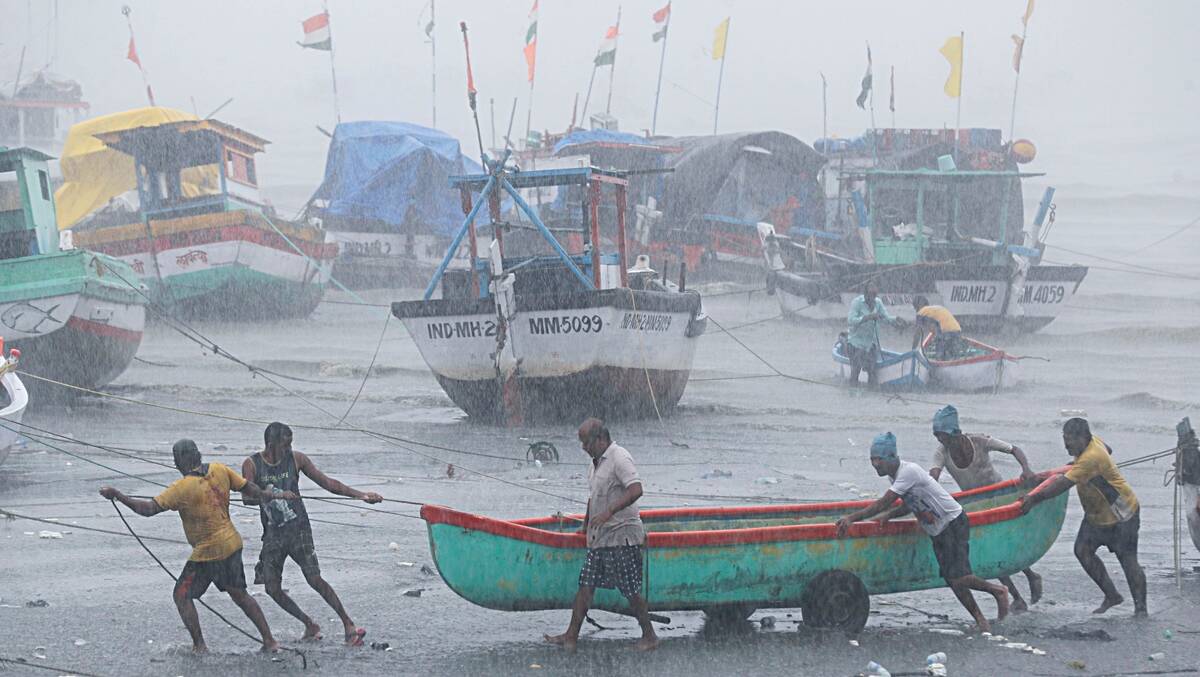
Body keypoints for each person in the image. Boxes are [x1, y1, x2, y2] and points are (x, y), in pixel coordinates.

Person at [99, 439, 292, 653]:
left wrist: (118, 496)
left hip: (208, 553)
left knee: (181, 595)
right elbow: (249, 487)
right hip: (232, 543)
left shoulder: (181, 488)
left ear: (180, 461)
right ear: (197, 455)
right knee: (240, 595)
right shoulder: (220, 469)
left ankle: (199, 645)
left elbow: (148, 509)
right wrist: (267, 495)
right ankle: (269, 641)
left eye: (176, 460)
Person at [836, 432, 1009, 632]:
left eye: (879, 459)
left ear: (891, 457)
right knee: (952, 580)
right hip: (938, 530)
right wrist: (890, 515)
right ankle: (981, 620)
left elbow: (884, 502)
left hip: (953, 522)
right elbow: (910, 503)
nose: (875, 464)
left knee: (960, 577)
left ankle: (997, 591)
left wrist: (852, 518)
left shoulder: (908, 472)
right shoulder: (895, 476)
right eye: (872, 460)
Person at [242, 422, 382, 646]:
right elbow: (247, 498)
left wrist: (362, 495)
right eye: (285, 445)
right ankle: (309, 624)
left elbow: (329, 484)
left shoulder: (297, 459)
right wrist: (274, 495)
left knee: (314, 578)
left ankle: (348, 624)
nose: (289, 449)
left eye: (290, 444)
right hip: (273, 534)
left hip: (299, 529)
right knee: (272, 588)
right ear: (271, 444)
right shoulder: (252, 464)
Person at [545, 418, 658, 652]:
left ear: (601, 439)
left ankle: (650, 635)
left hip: (621, 536)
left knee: (630, 590)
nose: (583, 448)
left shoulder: (619, 458)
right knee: (585, 586)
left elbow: (636, 489)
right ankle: (571, 635)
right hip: (600, 537)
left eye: (586, 442)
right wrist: (586, 526)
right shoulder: (595, 464)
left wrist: (609, 511)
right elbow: (593, 498)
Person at [1020, 418, 1147, 617]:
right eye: (1064, 440)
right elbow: (1109, 449)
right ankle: (1112, 596)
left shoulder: (1091, 457)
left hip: (1122, 514)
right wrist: (1078, 465)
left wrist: (1033, 499)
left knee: (1128, 561)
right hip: (1096, 515)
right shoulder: (1092, 443)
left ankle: (1141, 610)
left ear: (1082, 438)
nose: (1066, 446)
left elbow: (1062, 485)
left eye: (1069, 441)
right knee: (1082, 551)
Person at [929, 405, 1042, 612]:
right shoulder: (941, 453)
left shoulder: (980, 441)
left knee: (1007, 544)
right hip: (976, 504)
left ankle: (1031, 575)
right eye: (937, 436)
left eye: (942, 435)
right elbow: (933, 476)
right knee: (993, 551)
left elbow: (1014, 449)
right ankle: (1017, 597)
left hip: (1000, 498)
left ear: (954, 432)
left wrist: (1026, 469)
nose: (940, 440)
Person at [845, 279, 905, 387]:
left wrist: (896, 320)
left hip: (870, 344)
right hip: (856, 344)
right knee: (855, 371)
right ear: (865, 294)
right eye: (870, 295)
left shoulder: (878, 302)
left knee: (872, 374)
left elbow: (885, 318)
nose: (872, 298)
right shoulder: (857, 303)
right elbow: (850, 320)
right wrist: (867, 317)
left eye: (874, 295)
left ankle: (872, 394)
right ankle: (852, 393)